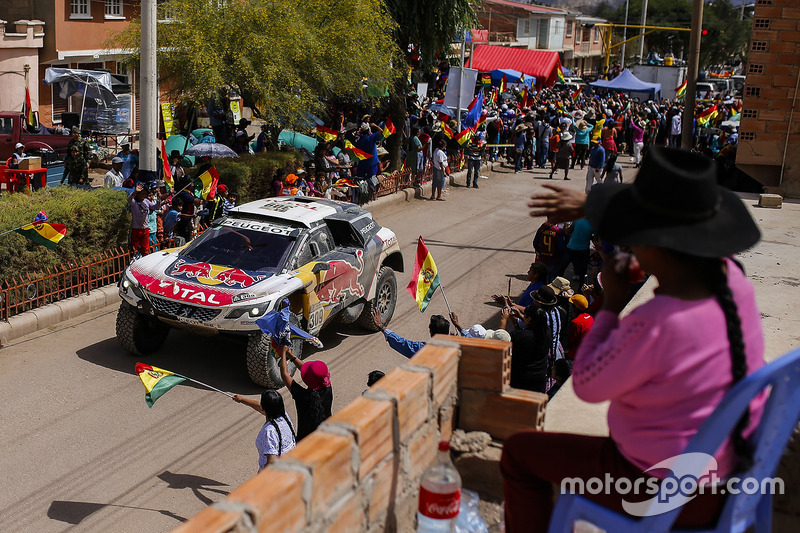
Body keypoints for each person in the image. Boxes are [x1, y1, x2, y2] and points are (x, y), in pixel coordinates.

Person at [504, 146, 765, 532]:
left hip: (657, 490)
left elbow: (588, 385)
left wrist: (612, 302)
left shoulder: (657, 322)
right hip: (722, 479)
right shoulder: (733, 280)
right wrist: (594, 207)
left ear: (654, 246)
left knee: (519, 454)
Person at [279, 345, 333, 441]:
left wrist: (283, 353)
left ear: (307, 380)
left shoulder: (302, 396)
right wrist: (291, 355)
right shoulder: (327, 388)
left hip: (305, 441)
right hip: (327, 436)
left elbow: (284, 375)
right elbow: (310, 373)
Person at [233, 390, 296, 471]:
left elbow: (271, 461)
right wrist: (242, 399)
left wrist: (261, 478)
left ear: (264, 408)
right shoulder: (284, 415)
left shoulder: (269, 431)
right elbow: (259, 407)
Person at [499, 305, 551, 393]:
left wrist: (504, 320)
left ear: (529, 318)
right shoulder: (547, 332)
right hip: (539, 381)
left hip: (520, 381)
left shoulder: (521, 336)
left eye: (525, 315)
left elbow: (500, 341)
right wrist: (520, 315)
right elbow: (537, 323)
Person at [372, 308, 450, 358]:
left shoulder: (423, 350)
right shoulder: (455, 349)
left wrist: (381, 326)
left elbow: (401, 343)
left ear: (431, 332)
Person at [128, 183, 158, 255]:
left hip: (145, 229)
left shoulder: (146, 201)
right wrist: (135, 191)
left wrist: (160, 200)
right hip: (136, 230)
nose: (143, 196)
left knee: (145, 249)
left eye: (145, 194)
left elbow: (155, 207)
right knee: (135, 249)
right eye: (141, 194)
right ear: (137, 194)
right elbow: (129, 199)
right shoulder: (134, 202)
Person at [566, 294, 593, 358]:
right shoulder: (590, 317)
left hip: (575, 354)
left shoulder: (576, 322)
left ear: (575, 308)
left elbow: (570, 340)